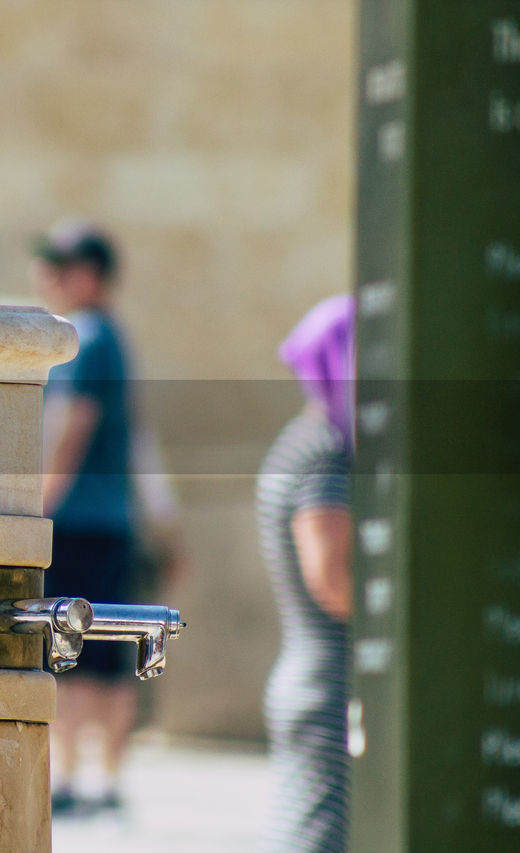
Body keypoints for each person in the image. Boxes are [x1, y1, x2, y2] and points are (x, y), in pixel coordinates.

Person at [32, 220, 142, 817]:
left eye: (55, 266)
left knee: (66, 649)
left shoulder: (86, 337)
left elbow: (71, 425)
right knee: (109, 649)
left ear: (86, 274)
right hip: (112, 520)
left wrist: (37, 507)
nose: (46, 278)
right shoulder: (115, 336)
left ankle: (70, 778)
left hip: (74, 520)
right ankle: (108, 779)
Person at [257, 294, 354, 853]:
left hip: (314, 678)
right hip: (330, 683)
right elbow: (334, 582)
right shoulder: (325, 453)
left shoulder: (306, 440)